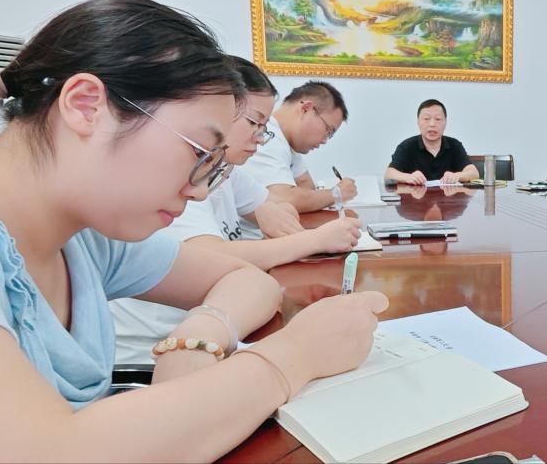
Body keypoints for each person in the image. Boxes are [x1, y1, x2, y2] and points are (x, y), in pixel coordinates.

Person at [0, 0, 387, 461]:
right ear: (86, 106)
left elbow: (245, 279)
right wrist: (294, 357)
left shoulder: (84, 240)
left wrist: (200, 333)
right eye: (199, 152)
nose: (198, 190)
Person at [110, 55, 363, 364]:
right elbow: (209, 256)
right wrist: (314, 240)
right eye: (253, 123)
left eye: (263, 127)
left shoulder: (227, 169)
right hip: (151, 354)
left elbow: (276, 208)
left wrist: (294, 232)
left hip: (207, 332)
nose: (259, 139)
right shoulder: (174, 175)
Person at [240, 80, 357, 214]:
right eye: (328, 130)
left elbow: (306, 185)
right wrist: (336, 194)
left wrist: (305, 198)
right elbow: (283, 200)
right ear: (306, 109)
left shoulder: (287, 140)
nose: (325, 140)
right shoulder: (267, 138)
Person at [384, 99, 479, 185]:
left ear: (445, 122)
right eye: (426, 119)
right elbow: (389, 174)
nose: (432, 124)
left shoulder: (454, 145)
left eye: (438, 119)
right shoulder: (407, 146)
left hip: (447, 198)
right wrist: (408, 177)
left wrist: (456, 176)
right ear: (418, 122)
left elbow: (474, 173)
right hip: (416, 198)